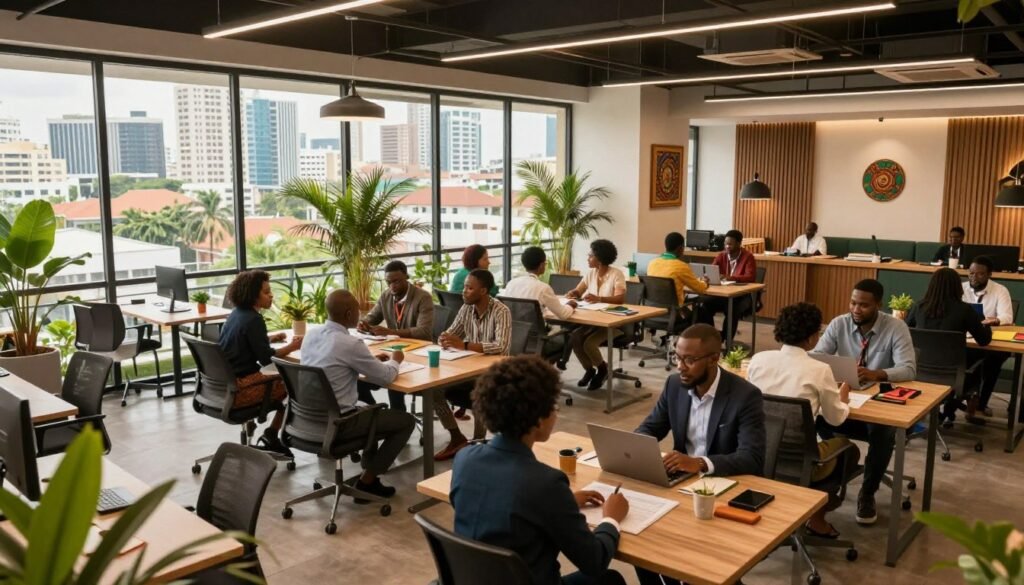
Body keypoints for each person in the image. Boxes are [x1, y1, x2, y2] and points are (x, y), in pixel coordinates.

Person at [451, 355, 630, 585]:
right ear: (538, 420)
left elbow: (500, 509)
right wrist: (611, 519)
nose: (556, 413)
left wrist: (563, 503)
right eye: (554, 406)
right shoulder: (546, 483)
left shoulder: (465, 459)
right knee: (610, 580)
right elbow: (594, 561)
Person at [633, 323, 765, 585]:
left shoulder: (745, 396)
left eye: (689, 360)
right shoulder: (674, 385)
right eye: (677, 357)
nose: (680, 366)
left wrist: (700, 463)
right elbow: (651, 427)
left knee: (700, 565)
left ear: (714, 359)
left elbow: (752, 458)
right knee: (640, 542)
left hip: (725, 485)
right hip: (682, 483)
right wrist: (634, 447)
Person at [748, 302, 858, 539]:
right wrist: (843, 400)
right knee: (849, 449)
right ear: (811, 338)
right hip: (801, 462)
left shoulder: (758, 360)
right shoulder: (819, 369)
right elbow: (835, 419)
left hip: (759, 455)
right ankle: (816, 516)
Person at [813, 278, 916, 526]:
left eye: (864, 305)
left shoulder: (896, 327)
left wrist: (876, 373)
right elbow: (816, 356)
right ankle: (840, 465)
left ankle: (867, 492)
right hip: (847, 399)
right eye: (853, 303)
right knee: (816, 416)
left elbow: (908, 369)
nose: (856, 309)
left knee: (883, 430)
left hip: (879, 402)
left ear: (878, 305)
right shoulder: (839, 323)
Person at [300, 289, 416, 500]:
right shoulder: (350, 344)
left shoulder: (312, 335)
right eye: (357, 310)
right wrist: (396, 359)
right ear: (348, 314)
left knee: (368, 410)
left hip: (307, 420)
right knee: (405, 421)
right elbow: (386, 377)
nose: (360, 314)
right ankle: (368, 481)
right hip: (340, 424)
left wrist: (369, 361)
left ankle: (368, 469)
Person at [218, 269, 303, 456]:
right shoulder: (254, 319)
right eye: (266, 292)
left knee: (284, 381)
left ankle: (258, 427)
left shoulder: (236, 314)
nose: (271, 295)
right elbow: (266, 358)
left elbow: (243, 341)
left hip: (225, 385)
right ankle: (272, 434)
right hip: (243, 388)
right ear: (252, 295)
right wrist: (293, 346)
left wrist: (269, 338)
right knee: (294, 385)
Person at [432, 269, 512, 461]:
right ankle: (456, 437)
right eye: (464, 287)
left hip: (495, 373)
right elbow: (453, 332)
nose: (464, 291)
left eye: (469, 288)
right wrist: (445, 338)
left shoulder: (501, 311)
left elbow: (502, 346)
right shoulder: (466, 308)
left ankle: (478, 442)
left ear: (483, 291)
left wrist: (465, 345)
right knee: (434, 391)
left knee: (479, 390)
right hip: (467, 368)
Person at [906, 267, 992, 424]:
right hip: (954, 375)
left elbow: (906, 332)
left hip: (919, 371)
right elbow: (984, 341)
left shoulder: (918, 307)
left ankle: (946, 410)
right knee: (980, 360)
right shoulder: (965, 310)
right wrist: (986, 323)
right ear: (957, 287)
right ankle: (964, 405)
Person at [357, 260, 434, 412]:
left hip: (418, 353)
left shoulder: (422, 297)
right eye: (388, 282)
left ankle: (398, 415)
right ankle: (374, 413)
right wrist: (363, 324)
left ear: (406, 276)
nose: (392, 286)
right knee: (358, 380)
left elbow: (424, 331)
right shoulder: (386, 296)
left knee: (394, 378)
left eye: (396, 281)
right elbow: (372, 317)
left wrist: (391, 332)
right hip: (393, 350)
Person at [566, 239, 627, 390]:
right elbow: (579, 290)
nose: (588, 258)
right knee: (575, 338)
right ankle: (589, 370)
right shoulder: (590, 273)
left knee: (589, 343)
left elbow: (620, 298)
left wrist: (599, 298)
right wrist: (573, 293)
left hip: (613, 323)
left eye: (590, 255)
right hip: (593, 321)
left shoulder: (616, 274)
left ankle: (602, 369)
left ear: (599, 259)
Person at [963, 255, 1014, 421]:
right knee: (968, 357)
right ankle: (971, 397)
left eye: (980, 274)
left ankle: (980, 402)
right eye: (971, 273)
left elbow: (1007, 316)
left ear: (989, 274)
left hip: (991, 340)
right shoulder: (961, 288)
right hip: (967, 340)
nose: (974, 277)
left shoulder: (1000, 290)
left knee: (993, 360)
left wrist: (995, 320)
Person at [698, 229, 757, 340]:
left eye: (730, 244)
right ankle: (713, 337)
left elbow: (750, 277)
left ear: (739, 244)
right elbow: (712, 270)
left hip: (742, 296)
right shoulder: (721, 255)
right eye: (725, 244)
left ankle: (726, 340)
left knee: (732, 310)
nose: (727, 247)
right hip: (723, 295)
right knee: (705, 305)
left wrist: (731, 277)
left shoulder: (748, 257)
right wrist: (708, 276)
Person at [502, 246, 577, 321]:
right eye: (545, 263)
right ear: (541, 265)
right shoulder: (543, 288)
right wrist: (570, 305)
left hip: (514, 327)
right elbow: (563, 314)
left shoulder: (511, 283)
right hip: (536, 328)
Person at [647, 231, 709, 307]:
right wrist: (704, 282)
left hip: (654, 309)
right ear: (680, 248)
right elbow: (700, 289)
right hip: (674, 311)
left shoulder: (652, 263)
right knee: (706, 304)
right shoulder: (681, 266)